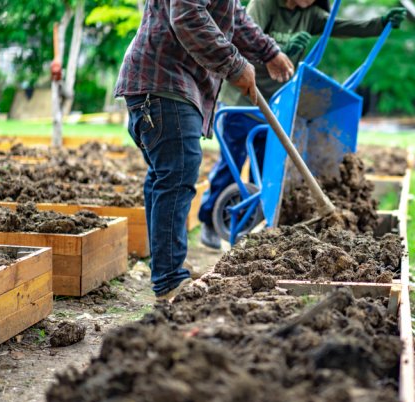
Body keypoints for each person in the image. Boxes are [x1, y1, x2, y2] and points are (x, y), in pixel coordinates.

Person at [115, 0, 294, 301]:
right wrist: (235, 65)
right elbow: (187, 15)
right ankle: (170, 280)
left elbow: (232, 14)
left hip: (161, 85)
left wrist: (269, 52)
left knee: (165, 178)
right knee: (177, 175)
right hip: (164, 83)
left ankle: (167, 272)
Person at [198, 0, 407, 249]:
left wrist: (380, 23)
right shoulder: (265, 5)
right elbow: (242, 40)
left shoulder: (310, 14)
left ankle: (255, 225)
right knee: (231, 160)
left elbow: (342, 26)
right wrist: (279, 49)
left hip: (276, 104)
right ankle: (209, 221)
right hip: (241, 97)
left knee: (266, 168)